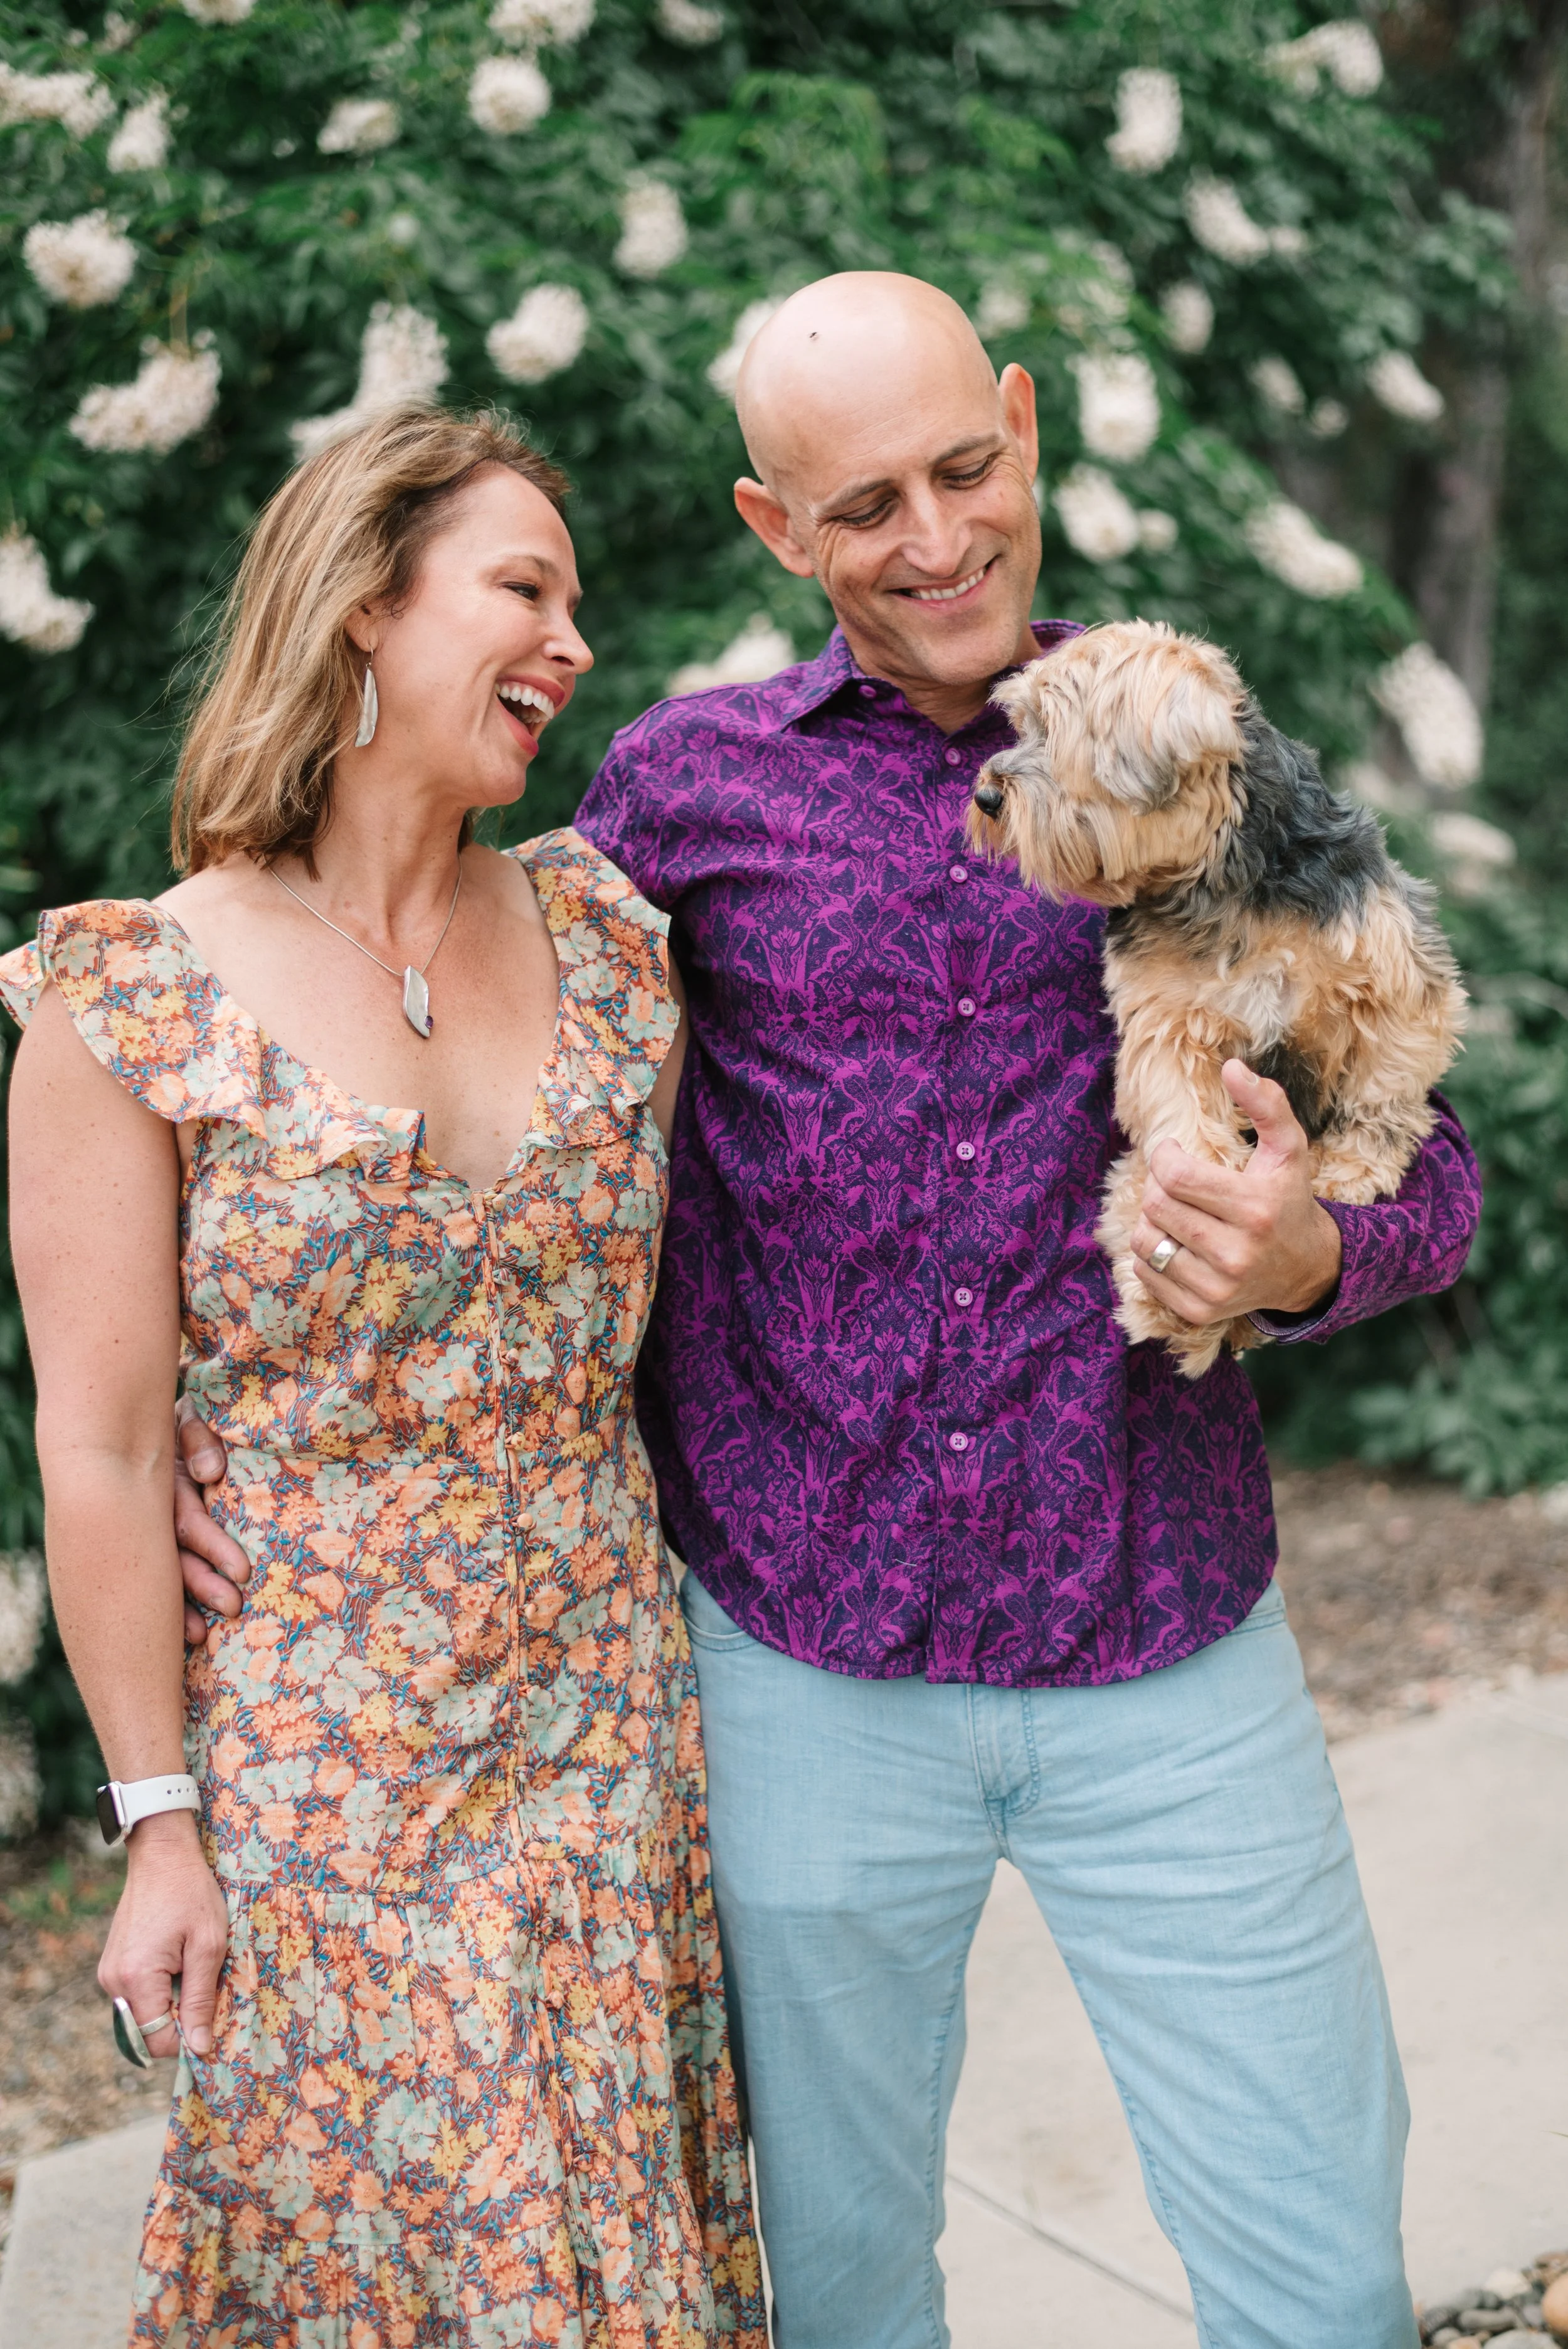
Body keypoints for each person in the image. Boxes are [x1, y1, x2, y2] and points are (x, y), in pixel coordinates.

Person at [172, 280, 1482, 2349]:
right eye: (862, 503)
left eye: (964, 470)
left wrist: (1310, 1260)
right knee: (846, 2291)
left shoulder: (1192, 761)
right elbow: (455, 1115)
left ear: (1026, 432)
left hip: (1169, 1653)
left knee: (1320, 2268)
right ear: (778, 530)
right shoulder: (680, 803)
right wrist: (237, 1444)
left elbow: (1428, 1144)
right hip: (797, 1673)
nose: (934, 536)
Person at [6, 405, 763, 2348]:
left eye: (574, 601)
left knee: (603, 2265)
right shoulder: (135, 996)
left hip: (607, 1748)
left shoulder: (612, 946)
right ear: (359, 605)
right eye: (523, 588)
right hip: (320, 1776)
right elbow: (95, 1448)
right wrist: (158, 1822)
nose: (572, 641)